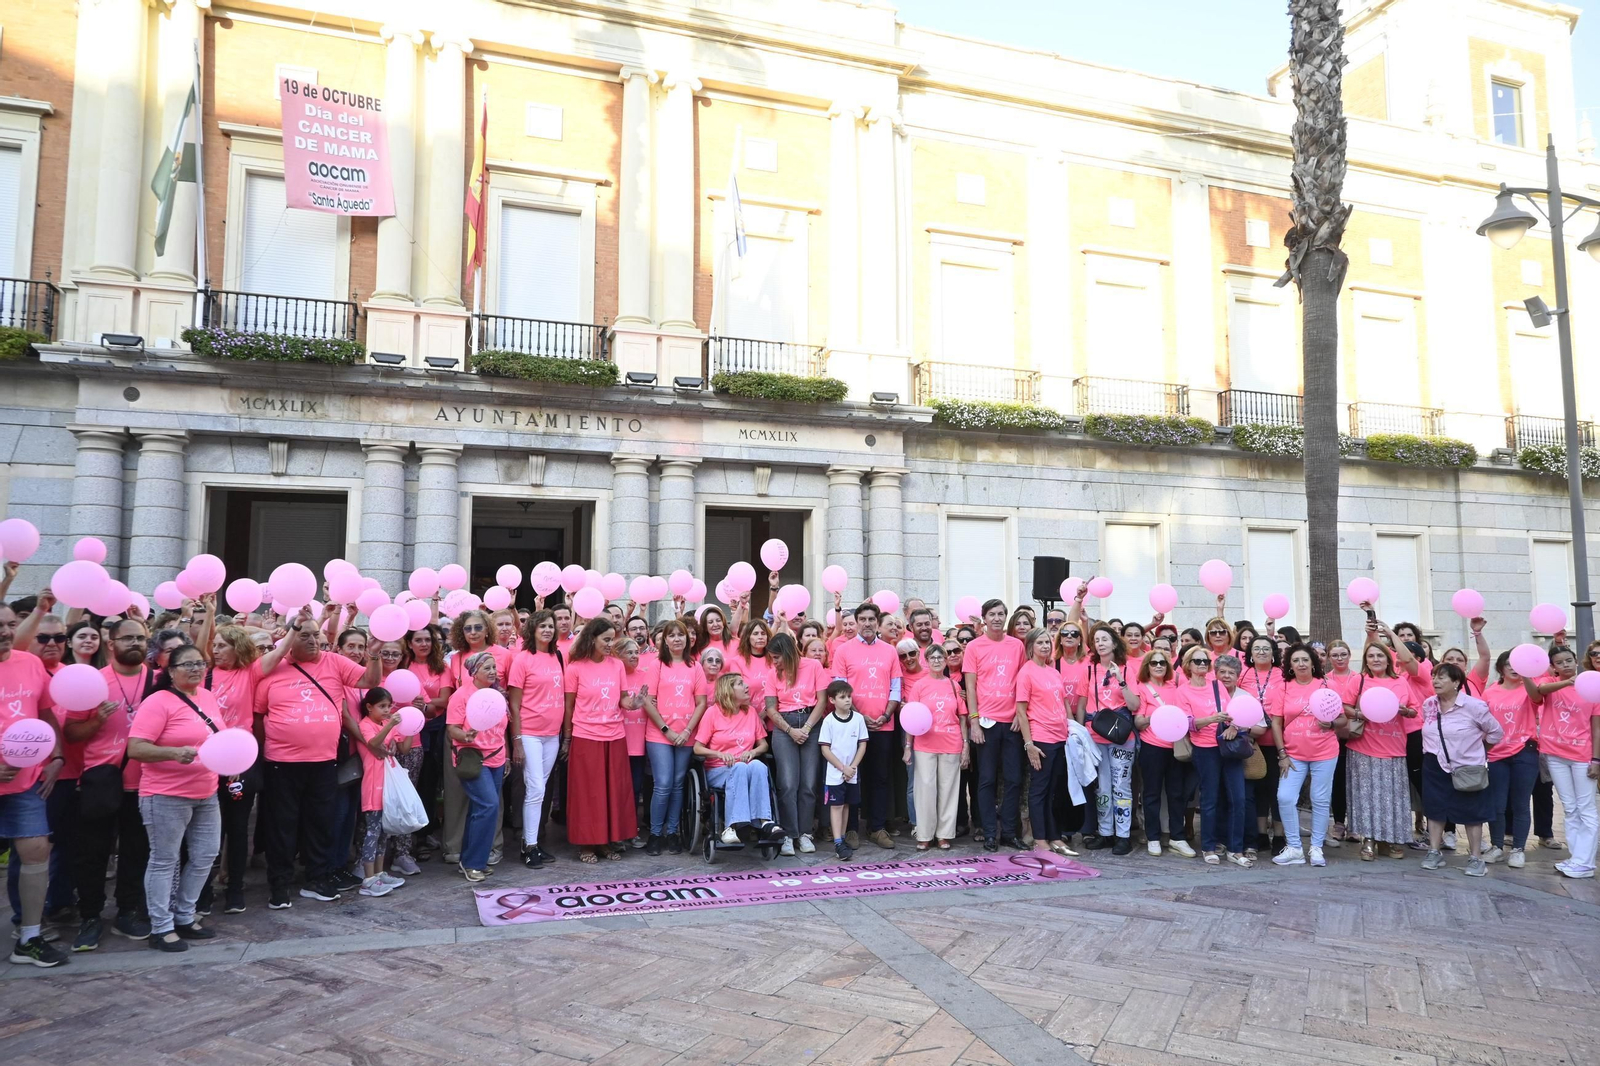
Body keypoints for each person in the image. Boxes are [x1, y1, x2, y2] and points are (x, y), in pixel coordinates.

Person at [253, 612, 379, 907]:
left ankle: (317, 878)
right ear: (288, 638)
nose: (312, 640)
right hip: (280, 763)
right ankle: (279, 884)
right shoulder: (272, 670)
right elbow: (259, 717)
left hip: (323, 761)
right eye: (304, 634)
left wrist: (372, 653)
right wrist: (266, 748)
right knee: (282, 825)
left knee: (320, 822)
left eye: (315, 635)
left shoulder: (333, 662)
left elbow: (370, 679)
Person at [125, 644, 223, 951]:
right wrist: (172, 753)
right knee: (165, 860)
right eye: (187, 664)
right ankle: (160, 926)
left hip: (206, 791)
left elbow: (219, 738)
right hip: (165, 795)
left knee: (206, 854)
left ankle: (184, 915)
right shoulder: (158, 702)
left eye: (200, 663)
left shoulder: (206, 697)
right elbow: (136, 748)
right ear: (170, 671)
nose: (196, 669)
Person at [65, 616, 154, 952]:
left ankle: (127, 911)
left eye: (141, 639)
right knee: (93, 853)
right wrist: (97, 721)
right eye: (128, 638)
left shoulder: (158, 681)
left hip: (145, 781)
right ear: (111, 643)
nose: (135, 644)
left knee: (136, 851)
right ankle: (90, 915)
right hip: (101, 779)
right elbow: (71, 733)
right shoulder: (93, 681)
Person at [0, 603, 68, 967]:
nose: (6, 632)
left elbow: (44, 712)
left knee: (37, 852)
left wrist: (56, 755)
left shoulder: (30, 663)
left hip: (24, 783)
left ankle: (29, 937)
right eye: (0, 625)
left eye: (11, 625)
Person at [202, 624, 279, 915]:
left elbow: (279, 653)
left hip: (240, 762)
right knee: (207, 830)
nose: (216, 650)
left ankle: (235, 888)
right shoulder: (205, 674)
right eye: (215, 645)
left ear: (237, 648)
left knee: (237, 829)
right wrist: (209, 616)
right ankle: (204, 890)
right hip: (207, 762)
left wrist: (295, 627)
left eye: (222, 645)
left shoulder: (250, 673)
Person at [1415, 662, 1504, 875]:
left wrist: (1478, 750)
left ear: (1456, 682)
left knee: (1472, 812)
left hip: (1467, 767)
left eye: (1442, 677)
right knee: (1435, 810)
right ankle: (1434, 851)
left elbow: (1496, 733)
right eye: (1434, 676)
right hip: (1434, 764)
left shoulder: (1474, 706)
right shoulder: (1429, 704)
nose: (1435, 681)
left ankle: (1475, 858)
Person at [562, 618, 635, 864]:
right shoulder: (575, 668)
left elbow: (623, 700)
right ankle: (586, 844)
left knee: (611, 793)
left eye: (612, 638)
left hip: (615, 735)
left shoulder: (616, 666)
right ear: (592, 639)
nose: (610, 643)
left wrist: (634, 703)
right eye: (606, 639)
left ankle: (605, 842)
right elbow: (569, 706)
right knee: (588, 794)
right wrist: (567, 737)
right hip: (586, 736)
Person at [1522, 646, 1599, 878]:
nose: (1565, 665)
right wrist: (1566, 683)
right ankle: (1576, 858)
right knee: (1570, 807)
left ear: (1576, 661)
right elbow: (1538, 691)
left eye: (1569, 660)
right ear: (1552, 666)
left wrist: (1596, 759)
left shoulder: (1591, 684)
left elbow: (1597, 728)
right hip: (1554, 754)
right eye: (1559, 662)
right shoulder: (1549, 683)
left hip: (1582, 756)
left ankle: (1586, 862)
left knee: (1586, 808)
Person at [831, 602, 902, 850]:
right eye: (863, 619)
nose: (868, 623)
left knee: (880, 777)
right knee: (851, 777)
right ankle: (851, 830)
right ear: (857, 621)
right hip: (851, 725)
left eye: (872, 619)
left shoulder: (889, 651)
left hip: (883, 724)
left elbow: (896, 687)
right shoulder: (843, 651)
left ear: (877, 621)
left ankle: (877, 827)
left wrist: (886, 714)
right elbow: (840, 690)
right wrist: (859, 715)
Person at [1269, 643, 1346, 867]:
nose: (1301, 664)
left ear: (1313, 663)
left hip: (1325, 752)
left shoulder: (1326, 685)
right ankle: (1294, 847)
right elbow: (1276, 722)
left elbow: (1342, 719)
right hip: (1292, 754)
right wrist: (1282, 753)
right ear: (1290, 666)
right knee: (1284, 797)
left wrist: (1331, 723)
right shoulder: (1283, 687)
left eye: (1305, 659)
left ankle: (1316, 848)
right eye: (1296, 660)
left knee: (1320, 799)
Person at [1174, 647, 1248, 866]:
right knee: (1210, 799)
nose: (1203, 664)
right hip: (1204, 748)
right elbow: (1186, 723)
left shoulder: (1217, 685)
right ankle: (1209, 846)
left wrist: (1234, 726)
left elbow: (1233, 711)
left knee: (1239, 798)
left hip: (1227, 745)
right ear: (1188, 664)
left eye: (1206, 661)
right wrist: (1211, 719)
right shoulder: (1183, 691)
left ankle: (1236, 849)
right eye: (1197, 661)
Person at [1341, 643, 1414, 861]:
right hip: (1364, 747)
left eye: (1380, 655)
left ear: (1388, 659)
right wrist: (1360, 713)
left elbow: (1413, 711)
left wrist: (1403, 710)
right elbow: (1344, 706)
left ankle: (1392, 839)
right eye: (1371, 656)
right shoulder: (1359, 680)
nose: (1376, 659)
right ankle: (1369, 839)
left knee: (1393, 797)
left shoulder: (1400, 681)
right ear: (1366, 660)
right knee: (1367, 797)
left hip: (1394, 747)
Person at [642, 619, 708, 855]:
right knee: (663, 784)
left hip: (686, 735)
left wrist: (688, 730)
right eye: (672, 635)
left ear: (688, 639)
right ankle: (655, 833)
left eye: (681, 635)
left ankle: (673, 832)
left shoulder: (695, 667)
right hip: (659, 734)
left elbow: (701, 702)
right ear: (665, 640)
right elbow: (647, 701)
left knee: (678, 784)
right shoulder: (657, 665)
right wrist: (666, 730)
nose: (677, 639)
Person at [965, 599, 1025, 852]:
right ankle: (990, 832)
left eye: (1001, 614)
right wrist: (974, 722)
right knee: (987, 780)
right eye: (992, 614)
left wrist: (1019, 716)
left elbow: (1023, 682)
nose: (997, 618)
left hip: (1011, 722)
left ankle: (1008, 833)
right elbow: (970, 686)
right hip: (986, 722)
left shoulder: (1017, 645)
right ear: (984, 619)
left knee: (1013, 779)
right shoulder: (974, 647)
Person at [507, 609, 565, 868]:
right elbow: (514, 705)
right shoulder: (522, 659)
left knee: (538, 790)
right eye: (542, 626)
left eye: (550, 626)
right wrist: (517, 740)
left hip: (552, 735)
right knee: (536, 790)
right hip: (529, 733)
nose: (548, 630)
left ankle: (532, 842)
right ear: (532, 629)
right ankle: (529, 845)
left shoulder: (557, 656)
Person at [694, 675, 781, 846]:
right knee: (740, 768)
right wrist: (718, 754)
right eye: (741, 684)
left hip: (745, 767)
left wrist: (753, 752)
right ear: (729, 690)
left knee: (758, 765)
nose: (747, 686)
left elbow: (763, 745)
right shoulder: (713, 713)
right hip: (718, 770)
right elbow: (697, 748)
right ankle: (732, 826)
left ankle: (765, 821)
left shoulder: (750, 712)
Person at [444, 652, 507, 882]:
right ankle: (474, 863)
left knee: (479, 810)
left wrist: (507, 755)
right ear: (474, 672)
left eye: (494, 667)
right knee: (489, 806)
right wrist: (466, 735)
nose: (492, 671)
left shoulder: (498, 694)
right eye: (487, 668)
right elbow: (452, 729)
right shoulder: (461, 696)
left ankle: (469, 860)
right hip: (472, 758)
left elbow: (502, 729)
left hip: (497, 758)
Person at [766, 631, 828, 855]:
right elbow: (771, 708)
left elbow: (822, 701)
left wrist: (808, 728)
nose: (774, 662)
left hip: (811, 722)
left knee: (809, 783)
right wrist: (791, 730)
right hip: (785, 727)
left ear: (787, 653)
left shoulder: (813, 666)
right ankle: (789, 834)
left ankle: (805, 833)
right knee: (788, 783)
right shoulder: (773, 675)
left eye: (776, 657)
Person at [1082, 624, 1140, 855]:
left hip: (1121, 737)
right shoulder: (1089, 669)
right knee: (1102, 787)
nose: (1101, 643)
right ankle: (1105, 833)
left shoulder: (1127, 669)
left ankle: (1123, 836)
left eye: (1105, 639)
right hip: (1096, 735)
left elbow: (1135, 705)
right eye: (1097, 640)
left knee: (1121, 786)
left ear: (1115, 642)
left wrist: (1121, 680)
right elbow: (1081, 702)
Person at [1014, 628, 1073, 857]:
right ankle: (1040, 838)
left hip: (1061, 737)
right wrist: (1029, 744)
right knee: (1039, 790)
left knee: (1054, 791)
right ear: (1031, 647)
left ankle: (1054, 835)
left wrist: (1071, 729)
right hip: (1041, 738)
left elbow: (1063, 702)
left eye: (1048, 642)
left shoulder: (1053, 671)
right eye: (1040, 643)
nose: (1045, 646)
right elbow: (1021, 710)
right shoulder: (1026, 673)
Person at [350, 687, 410, 896]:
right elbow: (373, 743)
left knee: (384, 833)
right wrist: (390, 727)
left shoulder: (386, 724)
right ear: (369, 707)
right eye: (382, 706)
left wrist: (406, 727)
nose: (387, 710)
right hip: (373, 786)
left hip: (387, 786)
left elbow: (401, 743)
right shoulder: (365, 725)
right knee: (372, 832)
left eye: (388, 706)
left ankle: (379, 872)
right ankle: (368, 878)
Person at [907, 645, 967, 850]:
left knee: (948, 790)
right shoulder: (919, 686)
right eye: (932, 657)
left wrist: (966, 745)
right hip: (924, 744)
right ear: (926, 660)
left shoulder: (954, 685)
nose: (937, 660)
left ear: (945, 661)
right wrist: (908, 746)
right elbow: (910, 718)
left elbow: (962, 717)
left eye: (940, 657)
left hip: (952, 742)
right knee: (925, 789)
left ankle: (944, 834)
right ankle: (924, 834)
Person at [1132, 648, 1190, 857]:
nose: (1158, 666)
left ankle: (1178, 837)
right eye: (1154, 663)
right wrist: (1156, 716)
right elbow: (1138, 722)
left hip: (1175, 747)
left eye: (1162, 663)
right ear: (1147, 666)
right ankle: (1153, 837)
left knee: (1176, 794)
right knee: (1151, 794)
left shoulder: (1176, 688)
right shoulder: (1142, 688)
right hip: (1152, 746)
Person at [1483, 651, 1537, 869]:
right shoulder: (1489, 693)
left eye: (1517, 664)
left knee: (1520, 803)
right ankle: (1497, 847)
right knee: (1497, 804)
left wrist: (1528, 675)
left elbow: (1538, 697)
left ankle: (1518, 849)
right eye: (1509, 664)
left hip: (1525, 751)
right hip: (1496, 754)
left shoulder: (1529, 688)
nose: (1513, 668)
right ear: (1501, 668)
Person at [401, 623, 449, 867]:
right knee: (410, 785)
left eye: (427, 639)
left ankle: (424, 834)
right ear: (409, 643)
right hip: (406, 732)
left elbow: (445, 698)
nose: (424, 644)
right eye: (418, 640)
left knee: (429, 785)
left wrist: (425, 707)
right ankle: (407, 838)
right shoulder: (403, 666)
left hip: (434, 731)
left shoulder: (441, 667)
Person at [818, 680, 868, 860]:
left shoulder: (858, 718)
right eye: (842, 697)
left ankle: (843, 837)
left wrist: (852, 767)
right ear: (832, 700)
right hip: (835, 773)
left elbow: (862, 745)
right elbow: (825, 749)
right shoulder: (829, 721)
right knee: (836, 805)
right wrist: (842, 768)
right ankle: (838, 842)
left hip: (852, 773)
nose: (847, 700)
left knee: (847, 804)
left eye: (849, 696)